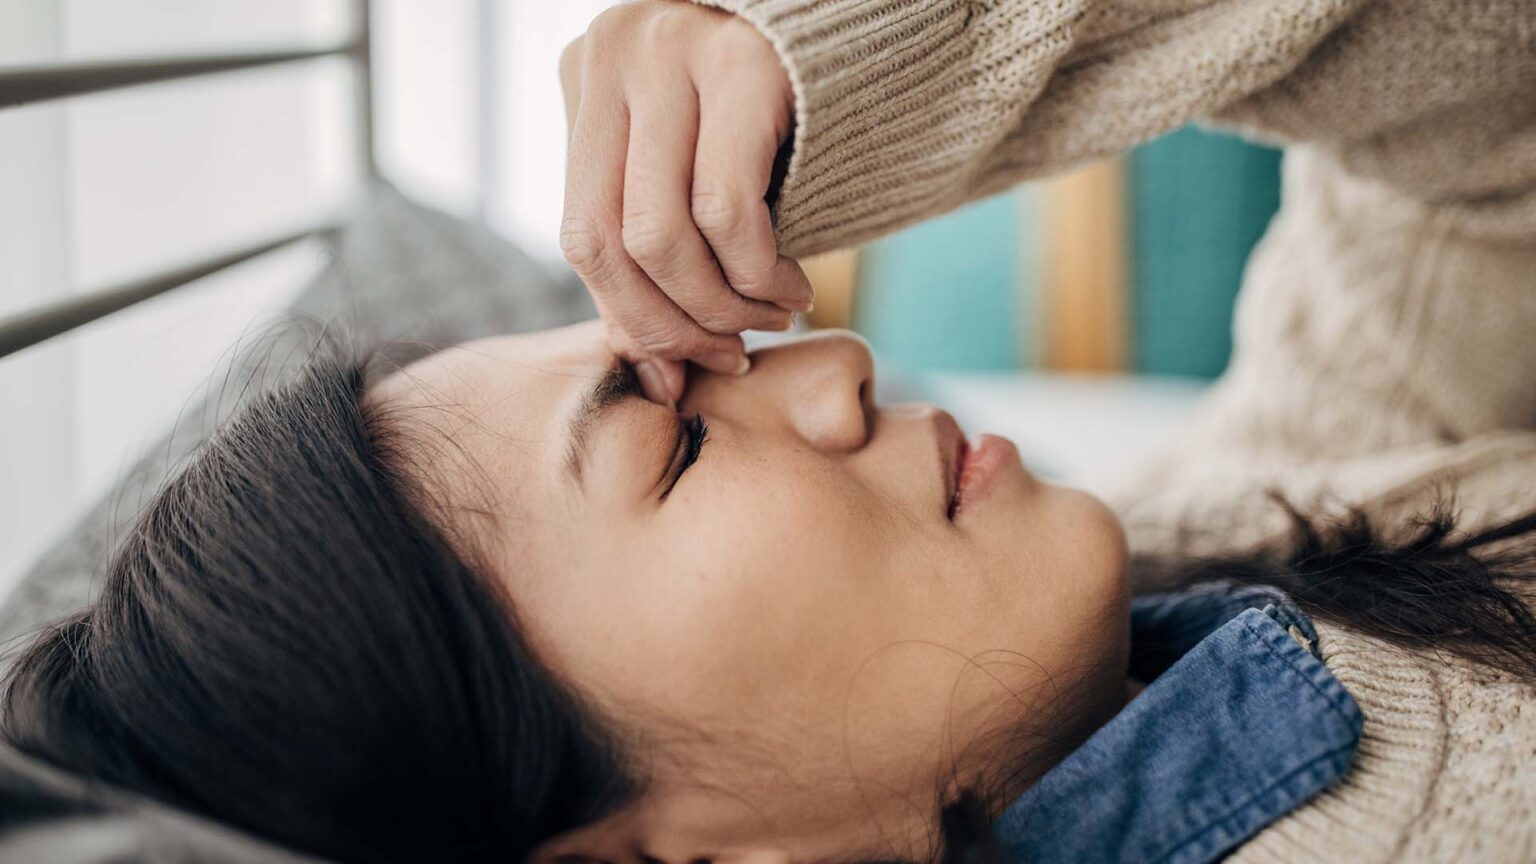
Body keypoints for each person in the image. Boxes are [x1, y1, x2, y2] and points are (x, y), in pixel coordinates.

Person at [3, 323, 1534, 863]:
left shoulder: (1206, 550)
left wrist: (813, 74)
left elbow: (1473, 160)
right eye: (673, 443)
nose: (835, 367)